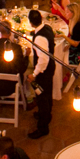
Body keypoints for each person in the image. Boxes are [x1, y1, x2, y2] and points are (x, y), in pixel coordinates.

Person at [26, 9, 55, 139]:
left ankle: (43, 127)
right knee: (47, 92)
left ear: (31, 23)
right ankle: (47, 114)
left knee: (42, 97)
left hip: (44, 71)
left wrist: (34, 74)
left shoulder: (39, 38)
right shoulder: (47, 28)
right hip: (50, 68)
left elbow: (43, 59)